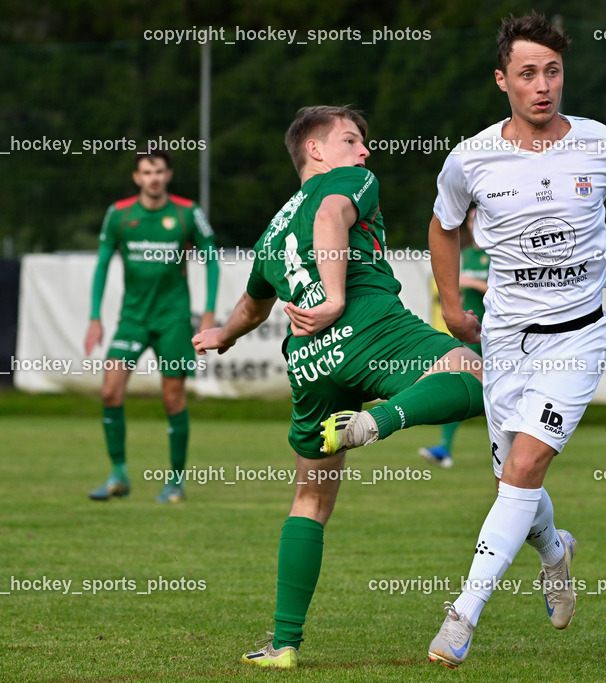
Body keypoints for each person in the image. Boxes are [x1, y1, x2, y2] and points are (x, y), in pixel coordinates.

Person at [191, 105, 484, 669]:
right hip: (367, 328)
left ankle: (282, 645)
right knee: (479, 375)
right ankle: (376, 421)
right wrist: (332, 297)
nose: (365, 150)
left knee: (310, 498)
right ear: (316, 151)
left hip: (309, 362)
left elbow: (255, 303)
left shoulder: (273, 229)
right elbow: (329, 214)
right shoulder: (349, 181)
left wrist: (224, 335)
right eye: (352, 139)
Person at [426, 12, 606, 668]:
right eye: (528, 73)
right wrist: (453, 305)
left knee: (525, 468)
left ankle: (463, 615)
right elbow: (443, 224)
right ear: (502, 80)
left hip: (578, 338)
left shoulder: (603, 144)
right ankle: (555, 551)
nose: (543, 85)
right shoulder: (471, 158)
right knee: (513, 480)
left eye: (554, 71)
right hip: (506, 341)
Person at [83, 151, 219, 503]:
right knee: (110, 391)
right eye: (147, 172)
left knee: (172, 398)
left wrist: (208, 312)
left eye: (159, 171)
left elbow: (212, 260)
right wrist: (95, 316)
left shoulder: (187, 213)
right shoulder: (120, 214)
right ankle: (118, 475)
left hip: (172, 320)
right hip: (132, 319)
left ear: (168, 174)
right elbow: (101, 265)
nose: (154, 177)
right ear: (137, 177)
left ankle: (174, 481)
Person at [420, 207, 490, 468]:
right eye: (471, 220)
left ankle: (525, 447)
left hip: (500, 334)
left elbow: (506, 291)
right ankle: (444, 448)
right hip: (472, 333)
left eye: (479, 219)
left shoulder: (499, 255)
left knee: (507, 392)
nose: (474, 224)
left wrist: (473, 283)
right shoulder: (464, 255)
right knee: (456, 384)